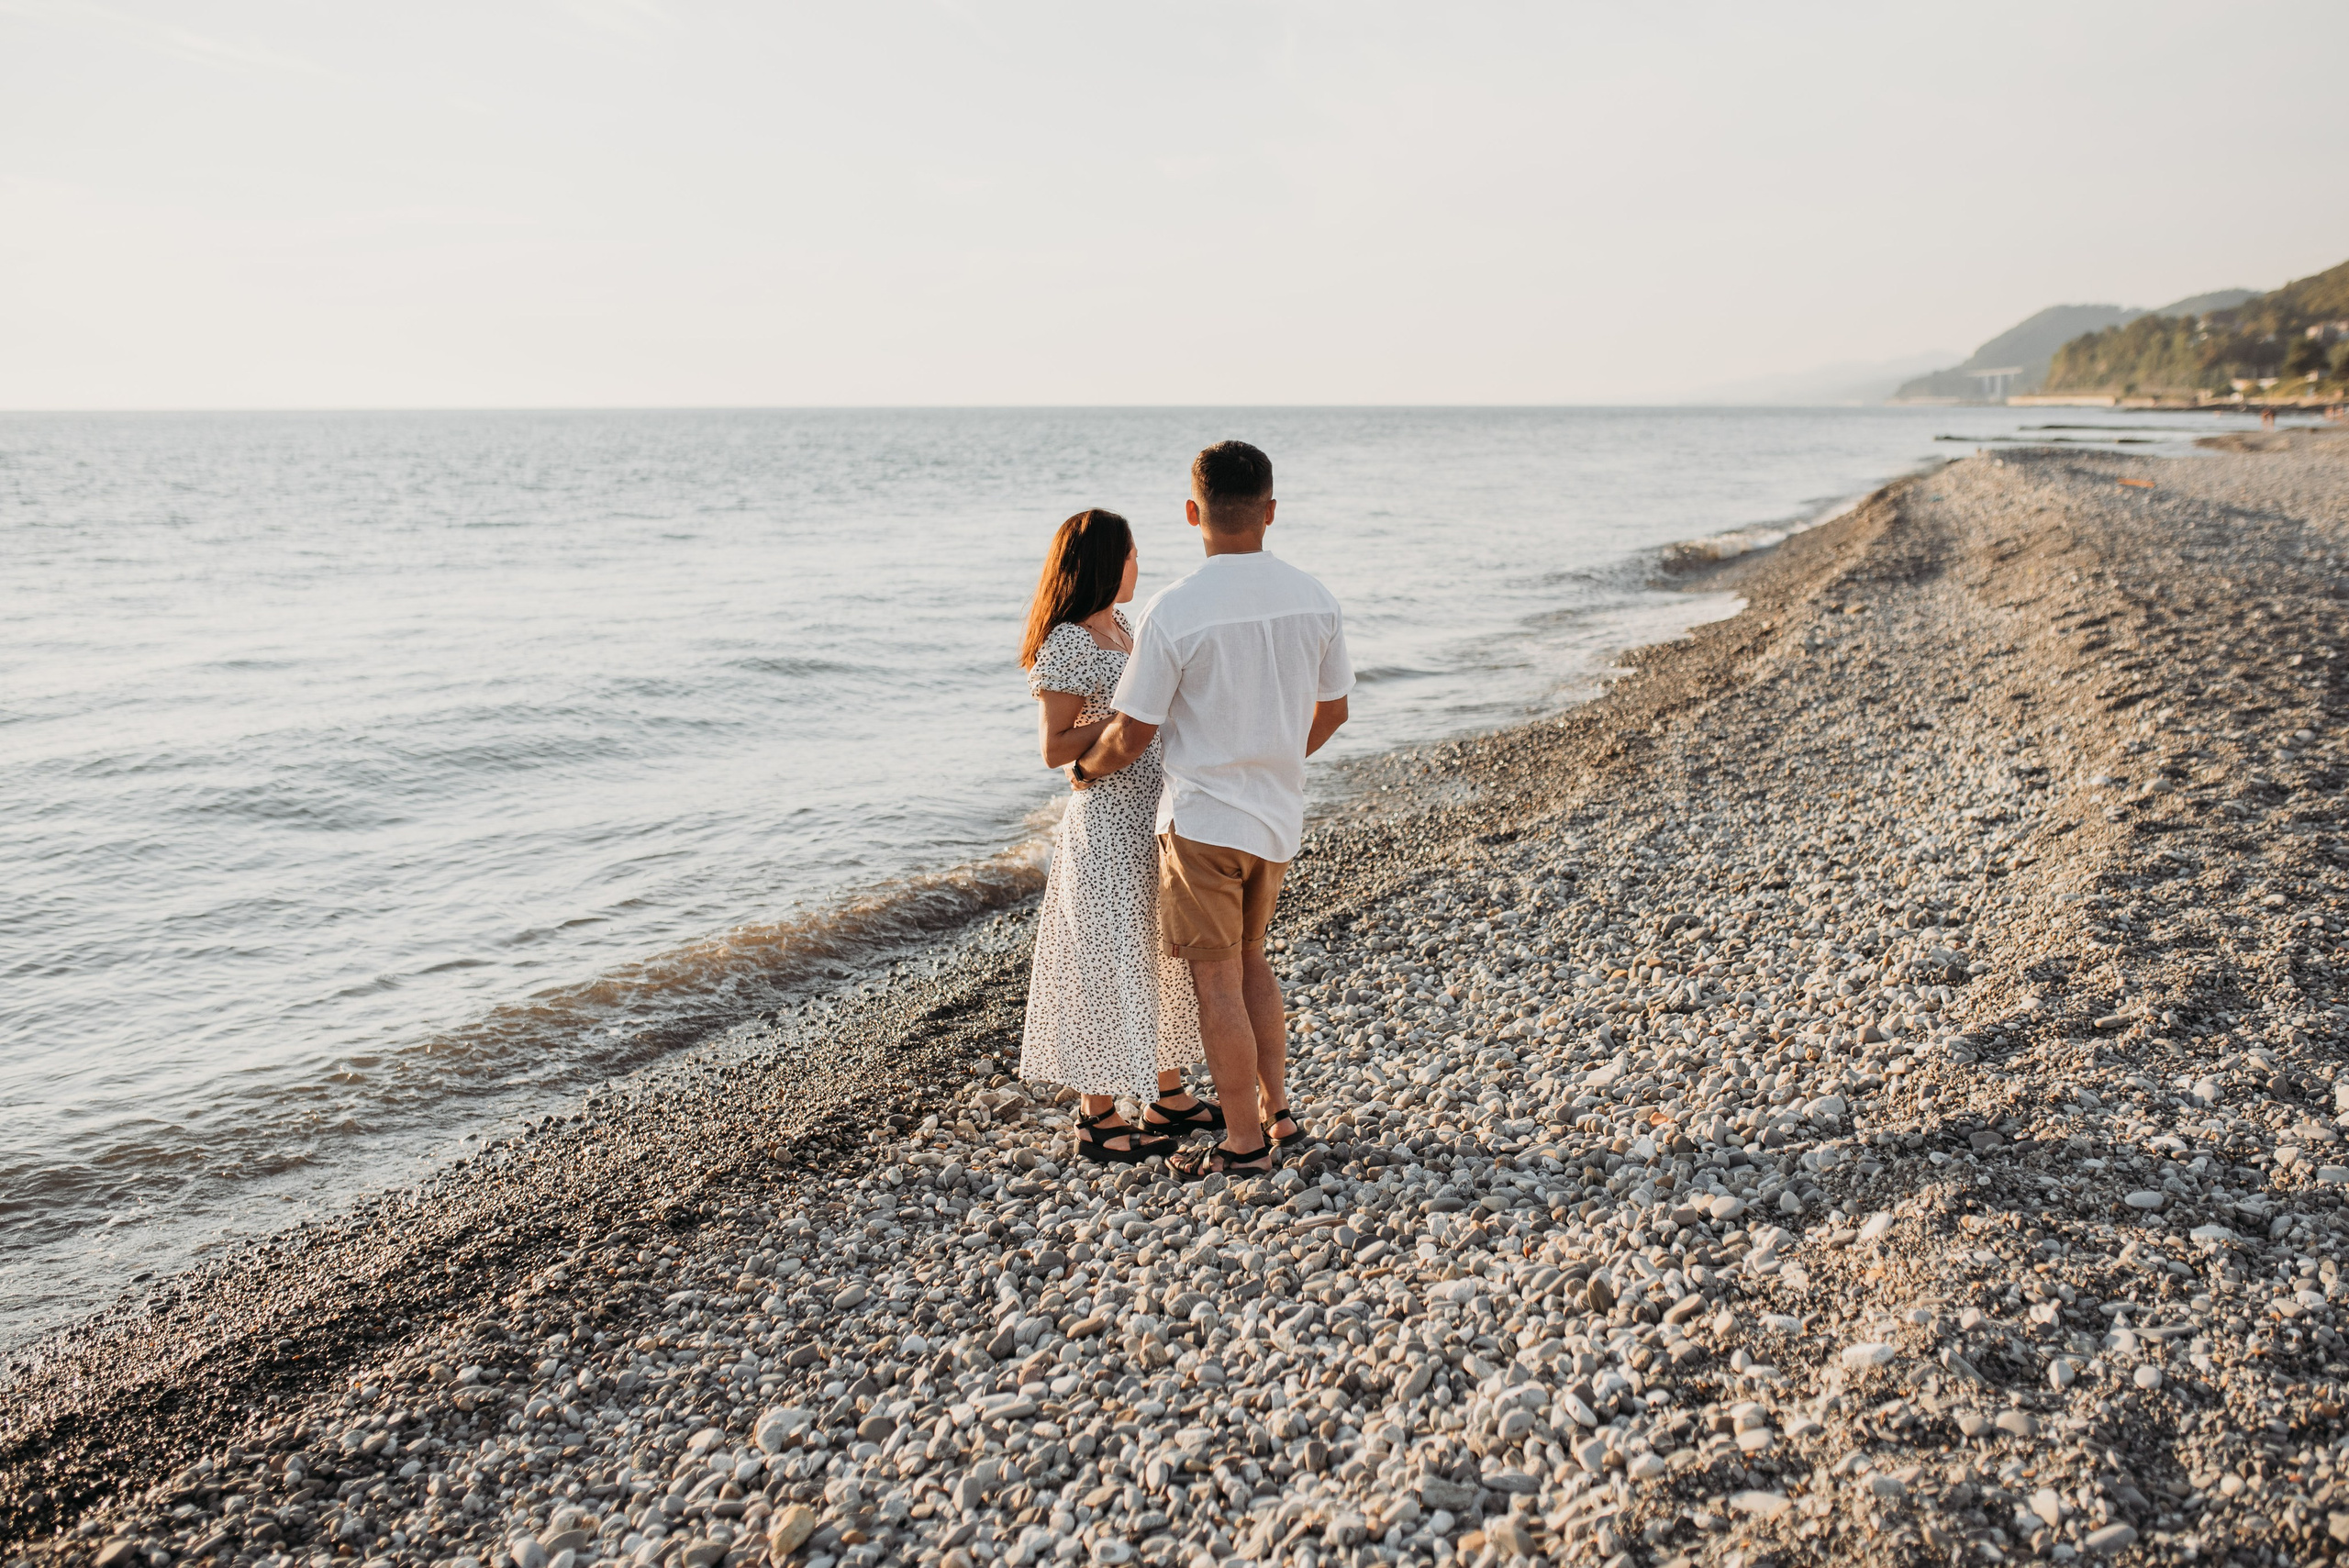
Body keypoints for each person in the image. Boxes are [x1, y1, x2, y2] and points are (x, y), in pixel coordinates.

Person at [1070, 442, 1353, 1177]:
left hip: (1201, 824)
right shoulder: (1314, 595)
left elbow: (1130, 731)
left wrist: (1082, 766)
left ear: (1193, 512)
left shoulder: (1173, 607)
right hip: (1277, 820)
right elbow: (1334, 710)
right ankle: (1278, 1112)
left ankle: (1243, 1144)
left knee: (1217, 980)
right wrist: (1277, 757)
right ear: (1270, 510)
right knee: (1254, 961)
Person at [1016, 508, 1218, 1165]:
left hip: (1150, 813)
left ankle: (1168, 1095)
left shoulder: (1123, 627)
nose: (1140, 564)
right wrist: (1128, 729)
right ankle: (1096, 1116)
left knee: (1156, 950)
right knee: (1105, 960)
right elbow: (1054, 748)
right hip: (1105, 823)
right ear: (1106, 561)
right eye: (1132, 554)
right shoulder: (1069, 642)